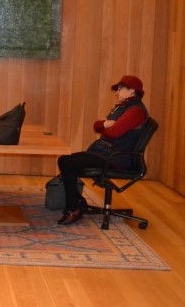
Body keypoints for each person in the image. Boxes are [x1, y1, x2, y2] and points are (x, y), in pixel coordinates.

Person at [57, 75, 149, 226]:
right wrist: (107, 123)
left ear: (132, 90)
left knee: (67, 162)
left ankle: (74, 208)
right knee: (67, 160)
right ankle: (77, 202)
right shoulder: (123, 108)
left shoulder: (135, 111)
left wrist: (107, 125)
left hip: (115, 158)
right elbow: (97, 126)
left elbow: (114, 133)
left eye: (120, 89)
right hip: (105, 153)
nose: (116, 92)